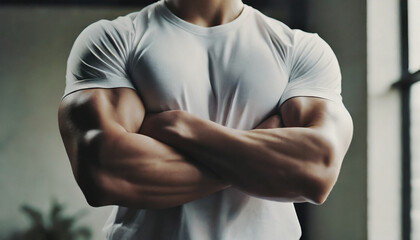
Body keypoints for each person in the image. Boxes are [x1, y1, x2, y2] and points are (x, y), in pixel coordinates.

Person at [58, 0, 353, 239]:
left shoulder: (301, 50)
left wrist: (180, 127)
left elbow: (316, 170)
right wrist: (263, 162)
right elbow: (105, 173)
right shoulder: (114, 40)